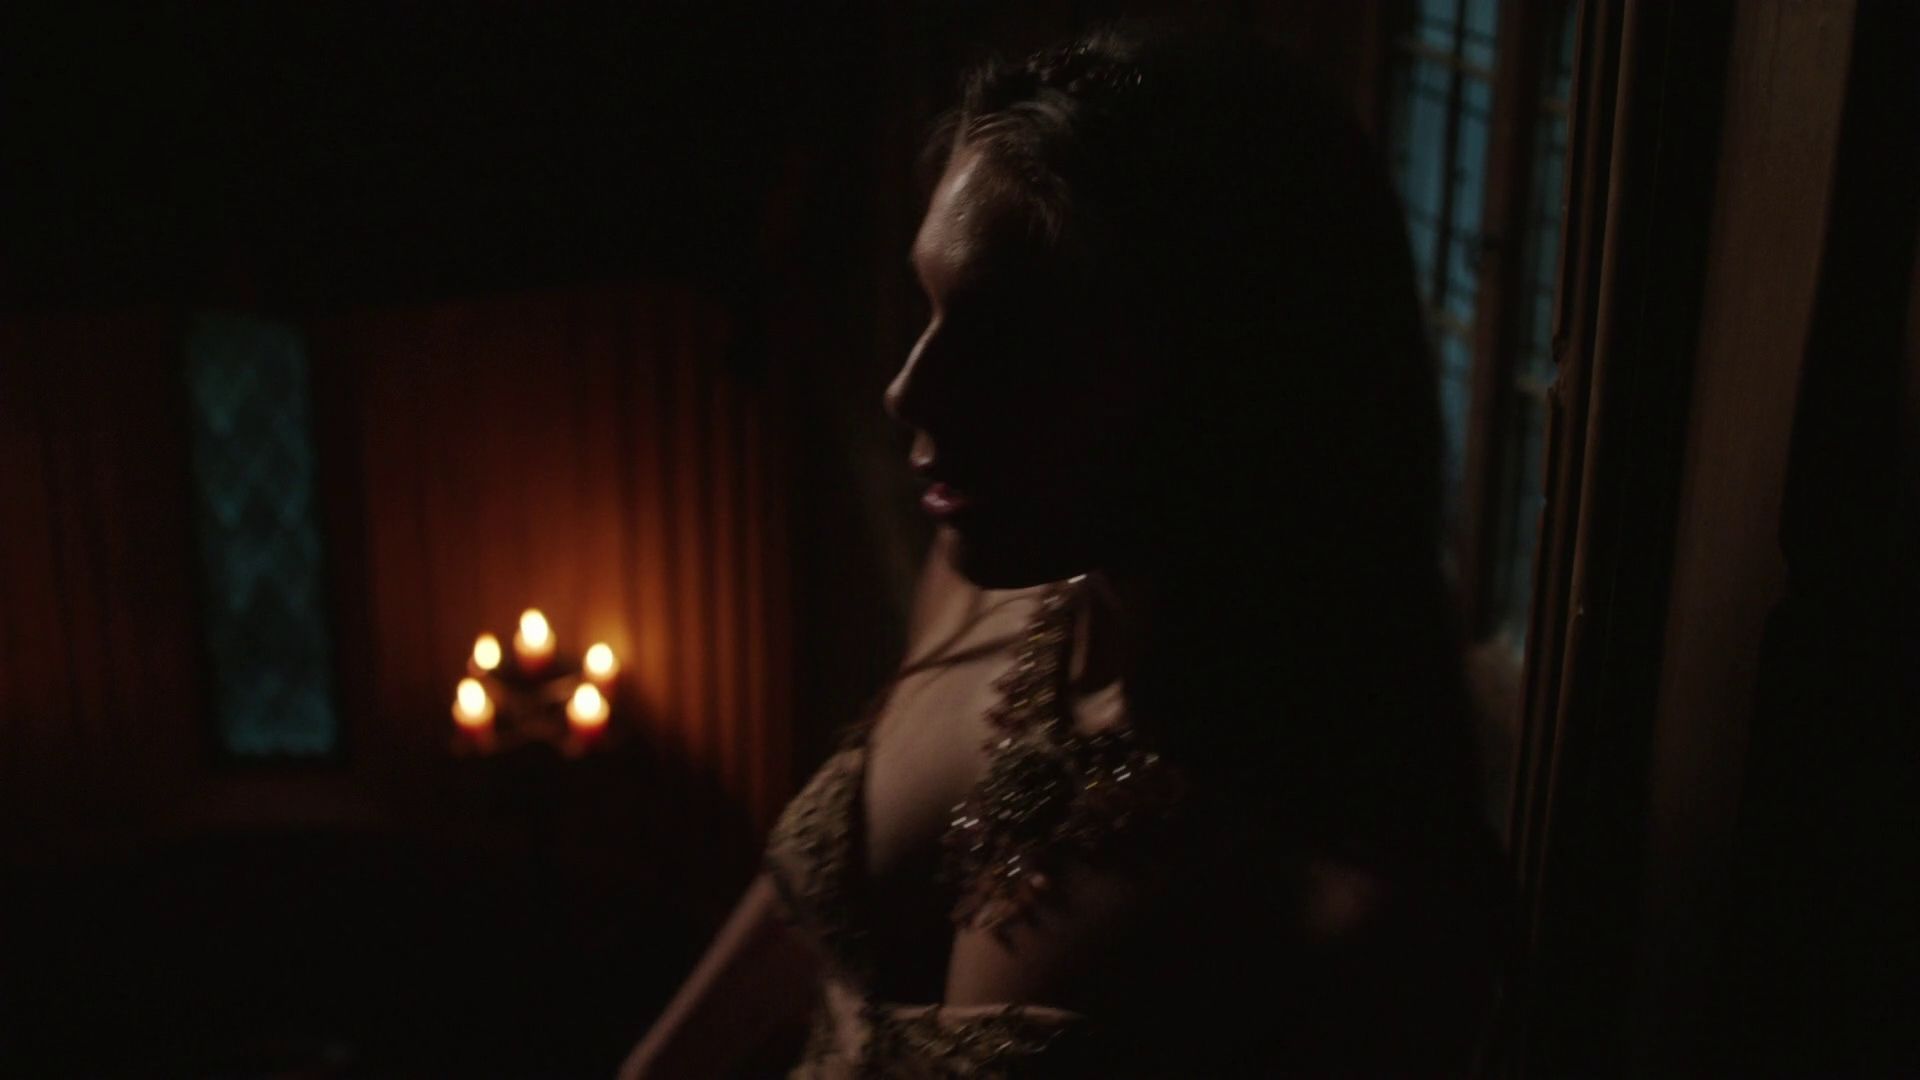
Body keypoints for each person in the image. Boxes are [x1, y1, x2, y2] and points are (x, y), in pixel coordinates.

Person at [622, 21, 1504, 1078]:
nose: (908, 391)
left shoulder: (1347, 902)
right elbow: (808, 917)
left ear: (1223, 380)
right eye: (930, 307)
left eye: (1006, 342)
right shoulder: (974, 591)